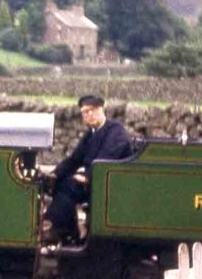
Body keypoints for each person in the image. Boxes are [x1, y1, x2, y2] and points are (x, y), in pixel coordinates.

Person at [42, 95, 134, 244]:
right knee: (59, 183)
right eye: (85, 112)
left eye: (92, 110)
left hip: (111, 183)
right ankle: (68, 233)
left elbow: (107, 159)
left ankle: (50, 224)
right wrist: (54, 174)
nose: (89, 115)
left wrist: (88, 176)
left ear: (101, 109)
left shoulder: (116, 132)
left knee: (70, 186)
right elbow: (74, 159)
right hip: (97, 179)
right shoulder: (91, 134)